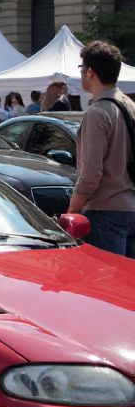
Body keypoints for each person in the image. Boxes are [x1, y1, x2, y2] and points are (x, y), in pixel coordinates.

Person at [67, 40, 135, 257]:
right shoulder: (130, 106)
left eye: (81, 68)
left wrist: (72, 210)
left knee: (106, 284)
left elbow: (90, 175)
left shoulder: (98, 113)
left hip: (105, 211)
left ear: (90, 73)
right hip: (130, 208)